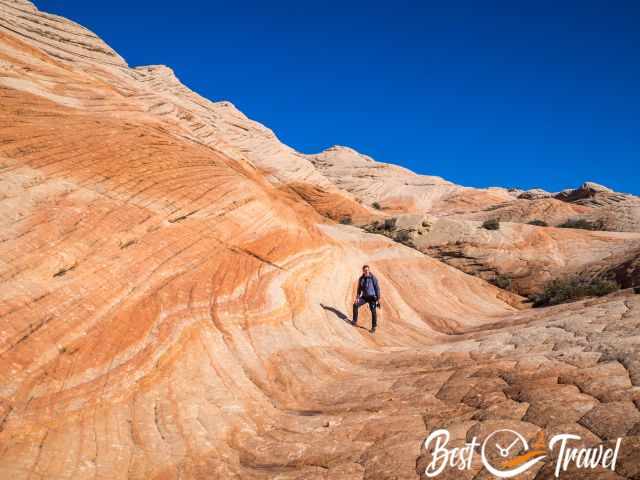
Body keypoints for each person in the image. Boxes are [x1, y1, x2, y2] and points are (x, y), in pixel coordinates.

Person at [352, 265, 381, 333]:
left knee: (373, 311)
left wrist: (378, 299)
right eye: (365, 270)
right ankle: (354, 321)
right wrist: (357, 298)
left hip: (372, 297)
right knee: (355, 305)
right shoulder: (361, 278)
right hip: (364, 297)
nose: (366, 271)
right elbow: (359, 289)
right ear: (363, 271)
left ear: (369, 270)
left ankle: (374, 327)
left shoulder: (373, 278)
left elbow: (377, 288)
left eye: (367, 270)